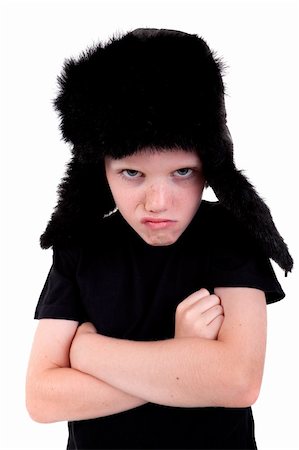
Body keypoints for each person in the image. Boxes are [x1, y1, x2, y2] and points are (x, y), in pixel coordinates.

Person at [26, 28, 293, 449]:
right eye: (132, 173)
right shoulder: (80, 246)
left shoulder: (230, 235)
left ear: (210, 166)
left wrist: (90, 354)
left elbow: (238, 382)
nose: (158, 202)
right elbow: (42, 397)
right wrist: (185, 359)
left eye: (182, 172)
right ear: (101, 169)